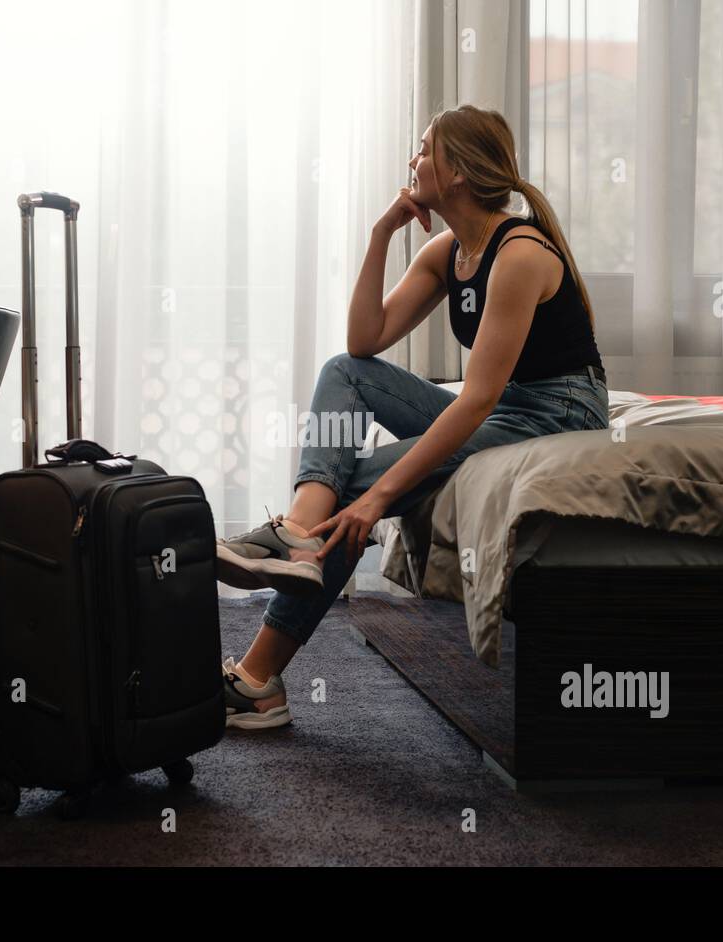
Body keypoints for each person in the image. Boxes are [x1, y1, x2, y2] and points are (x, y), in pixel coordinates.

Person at [215, 105, 608, 729]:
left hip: (556, 413)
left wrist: (381, 498)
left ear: (456, 171)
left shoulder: (522, 252)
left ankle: (259, 676)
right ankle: (299, 540)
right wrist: (381, 235)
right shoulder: (449, 250)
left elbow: (477, 399)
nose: (412, 160)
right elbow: (365, 339)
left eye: (423, 149)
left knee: (358, 487)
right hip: (506, 406)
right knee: (344, 371)